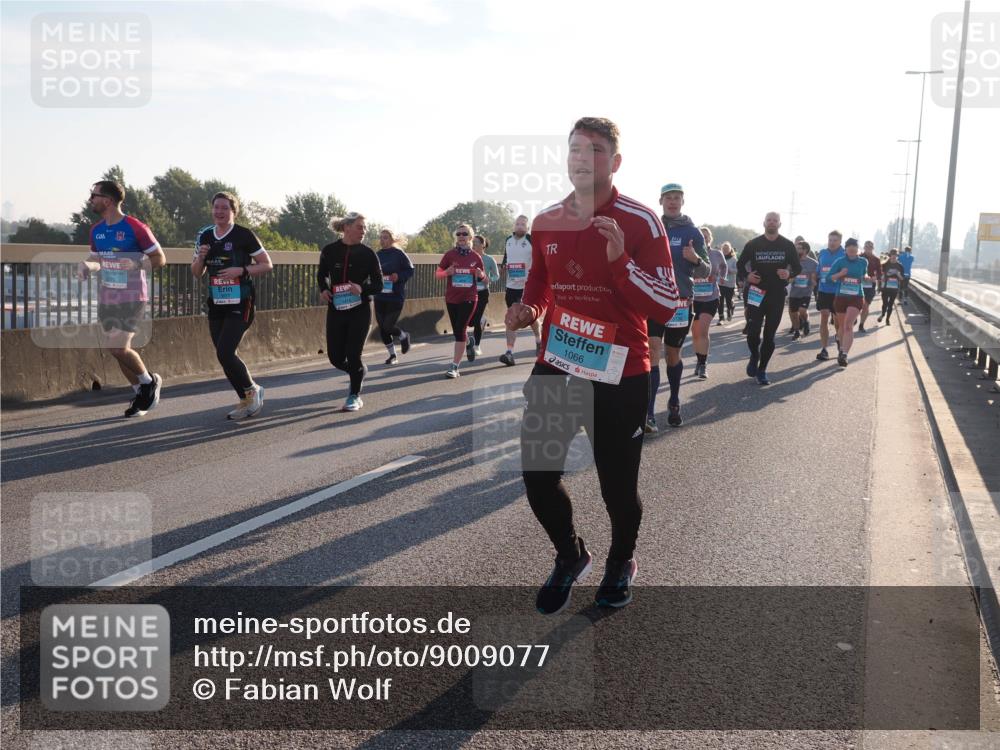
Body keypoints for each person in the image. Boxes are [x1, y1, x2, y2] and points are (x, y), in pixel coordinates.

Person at [505, 117, 681, 613]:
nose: (583, 157)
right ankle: (570, 555)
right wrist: (528, 310)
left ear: (616, 162)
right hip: (559, 362)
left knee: (617, 490)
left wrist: (621, 260)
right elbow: (540, 285)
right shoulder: (545, 222)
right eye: (575, 149)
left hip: (620, 372)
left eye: (596, 150)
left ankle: (620, 562)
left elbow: (667, 304)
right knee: (537, 474)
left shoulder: (641, 221)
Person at [76, 180, 165, 417]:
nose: (90, 199)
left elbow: (159, 258)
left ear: (107, 200)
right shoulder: (96, 230)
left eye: (93, 195)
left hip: (133, 296)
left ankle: (149, 383)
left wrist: (136, 262)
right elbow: (97, 259)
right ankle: (140, 392)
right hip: (108, 295)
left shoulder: (136, 227)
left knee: (118, 346)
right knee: (115, 350)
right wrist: (87, 266)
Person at [192, 192, 272, 419]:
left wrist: (242, 270)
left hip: (241, 300)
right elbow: (197, 273)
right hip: (216, 301)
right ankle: (246, 398)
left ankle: (252, 390)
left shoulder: (243, 235)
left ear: (233, 211)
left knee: (226, 352)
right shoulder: (205, 235)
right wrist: (200, 258)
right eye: (216, 207)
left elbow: (267, 264)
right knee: (222, 354)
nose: (219, 212)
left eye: (224, 208)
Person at [650, 182, 709, 430]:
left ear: (682, 202)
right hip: (652, 299)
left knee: (672, 354)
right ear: (661, 201)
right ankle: (648, 412)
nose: (672, 201)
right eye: (668, 198)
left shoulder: (692, 232)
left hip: (680, 302)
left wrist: (694, 259)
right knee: (652, 352)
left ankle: (674, 401)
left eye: (677, 198)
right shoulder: (651, 226)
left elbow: (706, 269)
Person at [318, 213, 383, 411]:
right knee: (335, 358)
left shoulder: (368, 253)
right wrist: (324, 290)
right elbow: (322, 274)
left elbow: (379, 284)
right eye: (359, 227)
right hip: (337, 309)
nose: (364, 231)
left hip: (360, 310)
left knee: (353, 354)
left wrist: (362, 289)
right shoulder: (330, 250)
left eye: (364, 227)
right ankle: (359, 372)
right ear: (347, 228)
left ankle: (354, 395)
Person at [736, 212, 800, 385]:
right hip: (756, 292)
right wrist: (747, 276)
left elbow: (797, 267)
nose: (772, 223)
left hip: (777, 294)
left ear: (779, 224)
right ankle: (754, 355)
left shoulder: (787, 245)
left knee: (770, 335)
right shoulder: (753, 244)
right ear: (763, 223)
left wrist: (789, 273)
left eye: (775, 221)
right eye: (769, 220)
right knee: (753, 329)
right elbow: (740, 264)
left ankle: (762, 369)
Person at [437, 223, 486, 378]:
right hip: (452, 298)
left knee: (459, 330)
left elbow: (486, 280)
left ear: (470, 237)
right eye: (458, 234)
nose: (461, 237)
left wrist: (481, 275)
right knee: (458, 331)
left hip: (469, 297)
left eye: (464, 234)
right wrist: (446, 272)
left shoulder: (476, 257)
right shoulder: (449, 255)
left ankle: (454, 367)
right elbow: (437, 274)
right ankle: (469, 343)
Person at [499, 215, 540, 366]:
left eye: (523, 224)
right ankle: (509, 353)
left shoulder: (531, 240)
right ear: (514, 226)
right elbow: (506, 258)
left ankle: (538, 340)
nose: (520, 226)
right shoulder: (508, 240)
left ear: (527, 228)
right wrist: (504, 267)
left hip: (527, 286)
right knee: (512, 318)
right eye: (518, 223)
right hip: (511, 287)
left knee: (530, 319)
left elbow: (539, 259)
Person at [374, 228, 414, 365]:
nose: (382, 240)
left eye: (385, 237)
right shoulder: (377, 255)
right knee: (382, 329)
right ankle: (392, 356)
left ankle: (403, 336)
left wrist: (399, 276)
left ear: (392, 239)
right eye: (381, 237)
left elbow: (410, 270)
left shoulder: (399, 254)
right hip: (380, 296)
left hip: (395, 296)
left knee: (388, 325)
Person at [691, 227, 727, 378]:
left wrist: (717, 278)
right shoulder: (691, 253)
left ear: (710, 239)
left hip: (711, 297)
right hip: (693, 299)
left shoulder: (716, 254)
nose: (704, 239)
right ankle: (699, 361)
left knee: (703, 330)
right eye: (701, 237)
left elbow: (724, 268)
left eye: (706, 237)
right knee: (694, 332)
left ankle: (703, 365)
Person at [829, 238, 868, 367]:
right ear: (845, 249)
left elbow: (864, 275)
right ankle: (841, 348)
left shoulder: (863, 262)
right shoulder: (840, 261)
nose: (852, 248)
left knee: (848, 325)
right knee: (841, 326)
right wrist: (840, 273)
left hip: (856, 297)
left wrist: (866, 277)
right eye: (849, 246)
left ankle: (844, 354)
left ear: (858, 249)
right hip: (841, 297)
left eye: (854, 246)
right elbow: (829, 278)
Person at [815, 230, 846, 361]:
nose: (832, 243)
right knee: (824, 317)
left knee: (839, 323)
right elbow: (819, 271)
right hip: (823, 291)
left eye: (835, 240)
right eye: (830, 240)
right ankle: (824, 349)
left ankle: (839, 340)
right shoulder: (822, 253)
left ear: (840, 241)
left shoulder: (844, 254)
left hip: (838, 292)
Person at [468, 235, 500, 358]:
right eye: (473, 242)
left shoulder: (489, 259)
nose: (474, 244)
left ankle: (477, 346)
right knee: (470, 321)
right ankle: (481, 321)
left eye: (476, 242)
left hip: (483, 292)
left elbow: (496, 276)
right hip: (469, 292)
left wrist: (488, 279)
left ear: (483, 245)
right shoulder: (468, 258)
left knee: (476, 320)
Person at [787, 240, 817, 340]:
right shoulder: (792, 262)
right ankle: (796, 331)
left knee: (802, 310)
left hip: (806, 292)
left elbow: (814, 278)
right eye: (796, 248)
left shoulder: (813, 263)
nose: (796, 250)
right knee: (793, 312)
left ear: (805, 250)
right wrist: (792, 277)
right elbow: (789, 278)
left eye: (799, 248)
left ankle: (806, 321)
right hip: (794, 292)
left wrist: (813, 283)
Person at [857, 240, 882, 333]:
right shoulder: (859, 257)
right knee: (857, 305)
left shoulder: (876, 259)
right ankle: (854, 317)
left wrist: (876, 277)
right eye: (866, 246)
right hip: (858, 284)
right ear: (864, 247)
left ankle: (861, 324)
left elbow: (880, 273)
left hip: (870, 286)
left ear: (873, 248)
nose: (868, 248)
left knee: (866, 306)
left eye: (870, 247)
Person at [878, 248, 905, 325]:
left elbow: (902, 278)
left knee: (890, 304)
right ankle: (883, 314)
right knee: (885, 303)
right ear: (890, 255)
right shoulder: (885, 264)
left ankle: (887, 319)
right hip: (885, 287)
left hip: (894, 288)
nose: (893, 256)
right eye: (892, 255)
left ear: (897, 256)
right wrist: (883, 277)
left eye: (895, 255)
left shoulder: (900, 266)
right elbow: (880, 274)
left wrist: (898, 274)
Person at [717, 241, 737, 324]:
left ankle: (731, 308)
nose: (725, 250)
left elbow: (737, 270)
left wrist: (729, 270)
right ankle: (721, 318)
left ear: (730, 249)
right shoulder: (719, 257)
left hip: (730, 283)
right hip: (720, 282)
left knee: (728, 300)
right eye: (724, 249)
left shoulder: (733, 259)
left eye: (727, 249)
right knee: (720, 301)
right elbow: (715, 268)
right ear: (722, 249)